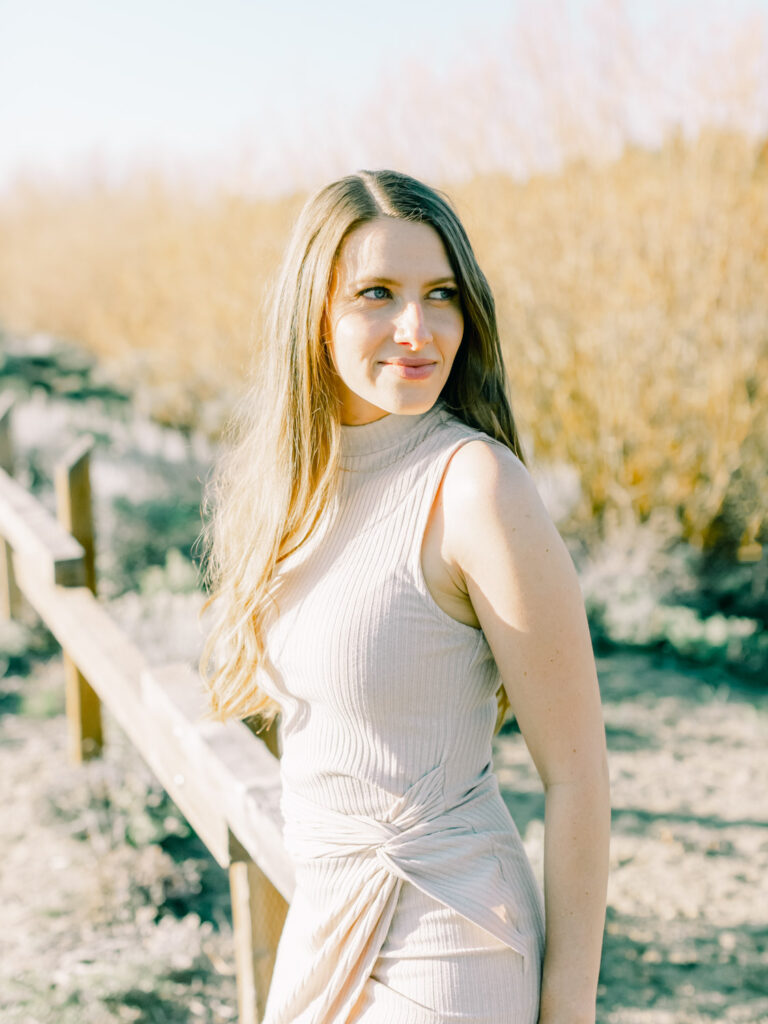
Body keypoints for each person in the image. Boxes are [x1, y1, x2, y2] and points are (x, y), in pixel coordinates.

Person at [199, 169, 611, 1024]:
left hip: (447, 939)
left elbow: (578, 777)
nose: (417, 330)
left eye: (441, 295)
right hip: (320, 930)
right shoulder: (287, 492)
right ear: (313, 310)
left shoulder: (474, 487)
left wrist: (568, 1009)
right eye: (377, 294)